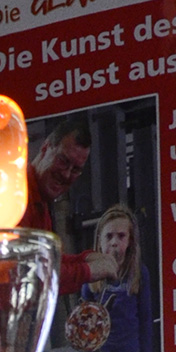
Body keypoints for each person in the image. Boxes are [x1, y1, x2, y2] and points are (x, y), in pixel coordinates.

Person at [20, 114, 116, 290]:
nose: (66, 174)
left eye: (76, 169)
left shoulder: (39, 202)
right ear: (46, 148)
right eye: (63, 161)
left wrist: (86, 258)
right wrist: (88, 270)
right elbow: (33, 273)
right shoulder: (18, 197)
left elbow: (47, 261)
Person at [79, 204, 154, 352]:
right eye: (109, 236)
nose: (114, 243)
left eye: (121, 236)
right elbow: (83, 325)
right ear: (100, 241)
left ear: (130, 241)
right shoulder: (91, 276)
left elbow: (146, 321)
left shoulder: (139, 274)